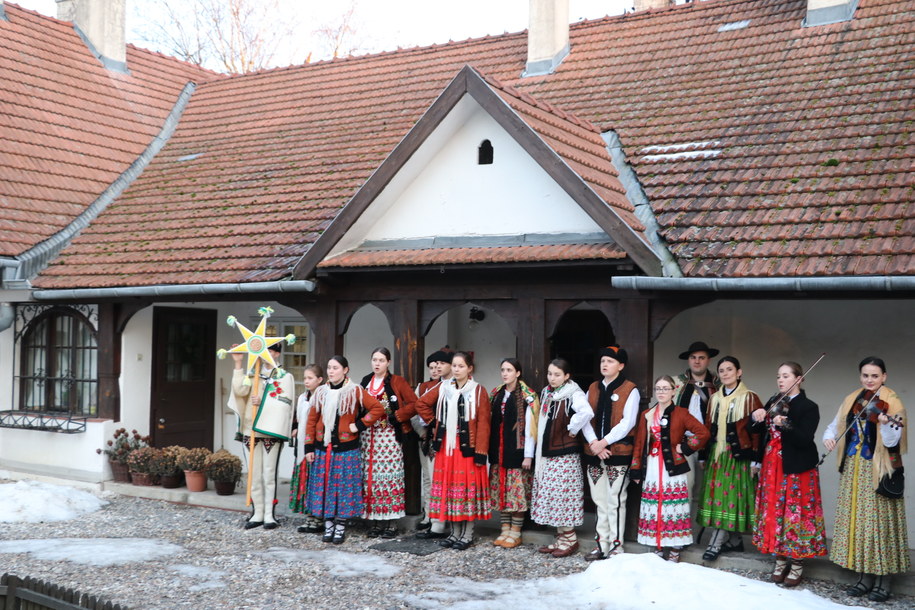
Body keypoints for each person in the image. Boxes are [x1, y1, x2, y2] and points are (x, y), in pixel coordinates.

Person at [823, 357, 908, 602]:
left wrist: (884, 425)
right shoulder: (853, 399)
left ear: (884, 377)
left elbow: (893, 442)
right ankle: (864, 576)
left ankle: (884, 578)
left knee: (879, 523)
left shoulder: (892, 402)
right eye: (865, 375)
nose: (869, 380)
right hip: (854, 468)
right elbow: (835, 425)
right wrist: (829, 438)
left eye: (874, 375)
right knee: (858, 522)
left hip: (879, 469)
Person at [750, 362, 827, 586]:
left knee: (796, 513)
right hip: (772, 466)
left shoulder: (809, 406)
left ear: (799, 379)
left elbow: (804, 439)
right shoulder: (774, 402)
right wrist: (756, 416)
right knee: (775, 510)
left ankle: (797, 561)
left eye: (785, 376)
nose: (780, 380)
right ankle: (780, 557)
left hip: (796, 468)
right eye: (778, 376)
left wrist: (785, 424)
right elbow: (754, 430)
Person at [414, 351, 491, 550]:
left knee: (465, 490)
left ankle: (468, 533)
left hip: (467, 448)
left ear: (469, 368)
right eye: (454, 366)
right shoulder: (444, 387)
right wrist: (435, 423)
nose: (456, 370)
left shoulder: (478, 391)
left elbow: (483, 423)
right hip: (446, 446)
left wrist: (481, 451)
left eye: (460, 366)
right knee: (451, 489)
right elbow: (421, 403)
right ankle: (455, 532)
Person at [303, 355, 384, 544]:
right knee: (325, 487)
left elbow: (377, 409)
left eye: (336, 368)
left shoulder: (355, 391)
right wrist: (309, 446)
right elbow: (312, 420)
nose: (331, 371)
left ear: (345, 370)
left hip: (347, 450)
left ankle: (340, 526)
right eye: (329, 368)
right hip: (323, 448)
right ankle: (328, 524)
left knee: (343, 489)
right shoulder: (321, 392)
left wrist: (360, 425)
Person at [630, 375, 710, 562]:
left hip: (673, 466)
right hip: (651, 464)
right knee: (655, 503)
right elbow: (639, 442)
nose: (661, 392)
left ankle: (675, 547)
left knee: (672, 506)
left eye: (666, 388)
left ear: (674, 391)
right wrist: (635, 468)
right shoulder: (647, 414)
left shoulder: (681, 413)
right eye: (658, 388)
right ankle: (657, 546)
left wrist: (686, 447)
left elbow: (703, 433)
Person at [697, 355, 763, 560]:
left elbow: (758, 431)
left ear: (739, 372)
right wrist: (702, 454)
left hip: (738, 456)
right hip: (717, 454)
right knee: (720, 499)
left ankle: (715, 544)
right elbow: (708, 428)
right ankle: (734, 541)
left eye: (730, 370)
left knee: (729, 499)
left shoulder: (750, 397)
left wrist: (756, 459)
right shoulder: (715, 398)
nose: (725, 374)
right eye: (722, 370)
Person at [530, 358, 594, 558]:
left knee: (562, 497)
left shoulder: (574, 393)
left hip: (565, 455)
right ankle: (561, 537)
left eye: (557, 374)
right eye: (550, 373)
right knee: (550, 495)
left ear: (567, 376)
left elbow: (586, 412)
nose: (552, 378)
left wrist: (571, 428)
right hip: (548, 453)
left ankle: (571, 539)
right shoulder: (548, 392)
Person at [581, 345, 639, 561]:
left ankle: (616, 545)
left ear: (621, 365)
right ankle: (600, 544)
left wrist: (604, 441)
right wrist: (595, 443)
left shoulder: (629, 389)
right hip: (594, 452)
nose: (605, 364)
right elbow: (584, 417)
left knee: (615, 499)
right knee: (599, 499)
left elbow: (628, 422)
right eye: (603, 361)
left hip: (618, 452)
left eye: (610, 361)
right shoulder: (593, 388)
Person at [230, 342, 295, 530]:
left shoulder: (284, 376)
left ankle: (269, 514)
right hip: (251, 430)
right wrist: (238, 364)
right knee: (254, 473)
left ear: (276, 354)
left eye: (269, 351)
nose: (265, 355)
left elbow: (285, 403)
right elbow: (239, 391)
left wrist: (263, 402)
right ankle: (257, 512)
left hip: (270, 431)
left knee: (269, 473)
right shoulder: (252, 374)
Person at [359, 347, 418, 538]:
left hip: (390, 436)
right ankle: (375, 521)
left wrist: (398, 416)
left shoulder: (397, 381)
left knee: (390, 477)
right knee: (371, 480)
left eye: (381, 360)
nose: (377, 363)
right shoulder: (366, 381)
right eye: (374, 360)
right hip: (369, 437)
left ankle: (391, 522)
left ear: (388, 363)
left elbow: (414, 404)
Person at [488, 358, 539, 549]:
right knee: (501, 492)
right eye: (502, 369)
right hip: (499, 451)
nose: (505, 373)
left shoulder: (527, 396)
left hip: (516, 452)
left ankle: (515, 532)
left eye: (509, 370)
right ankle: (504, 529)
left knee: (516, 494)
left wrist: (528, 455)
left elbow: (530, 428)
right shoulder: (496, 393)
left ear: (518, 373)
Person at [414, 349, 454, 539]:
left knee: (443, 479)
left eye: (440, 364)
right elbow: (416, 410)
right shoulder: (424, 387)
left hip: (448, 439)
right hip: (428, 438)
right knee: (429, 478)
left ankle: (445, 520)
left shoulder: (452, 386)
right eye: (433, 365)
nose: (436, 368)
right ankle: (430, 515)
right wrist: (426, 430)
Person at [672, 341, 719, 498]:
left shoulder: (718, 384)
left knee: (708, 488)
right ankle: (688, 523)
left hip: (711, 443)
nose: (697, 361)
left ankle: (702, 523)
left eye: (701, 357)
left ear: (708, 360)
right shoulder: (676, 383)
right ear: (688, 360)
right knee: (686, 486)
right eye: (693, 357)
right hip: (683, 444)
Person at [290, 363, 325, 534]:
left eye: (310, 378)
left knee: (315, 480)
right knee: (304, 478)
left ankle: (318, 517)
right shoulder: (302, 397)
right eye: (305, 378)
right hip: (302, 443)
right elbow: (298, 418)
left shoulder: (322, 396)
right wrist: (295, 429)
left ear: (320, 380)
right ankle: (309, 516)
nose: (306, 381)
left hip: (316, 445)